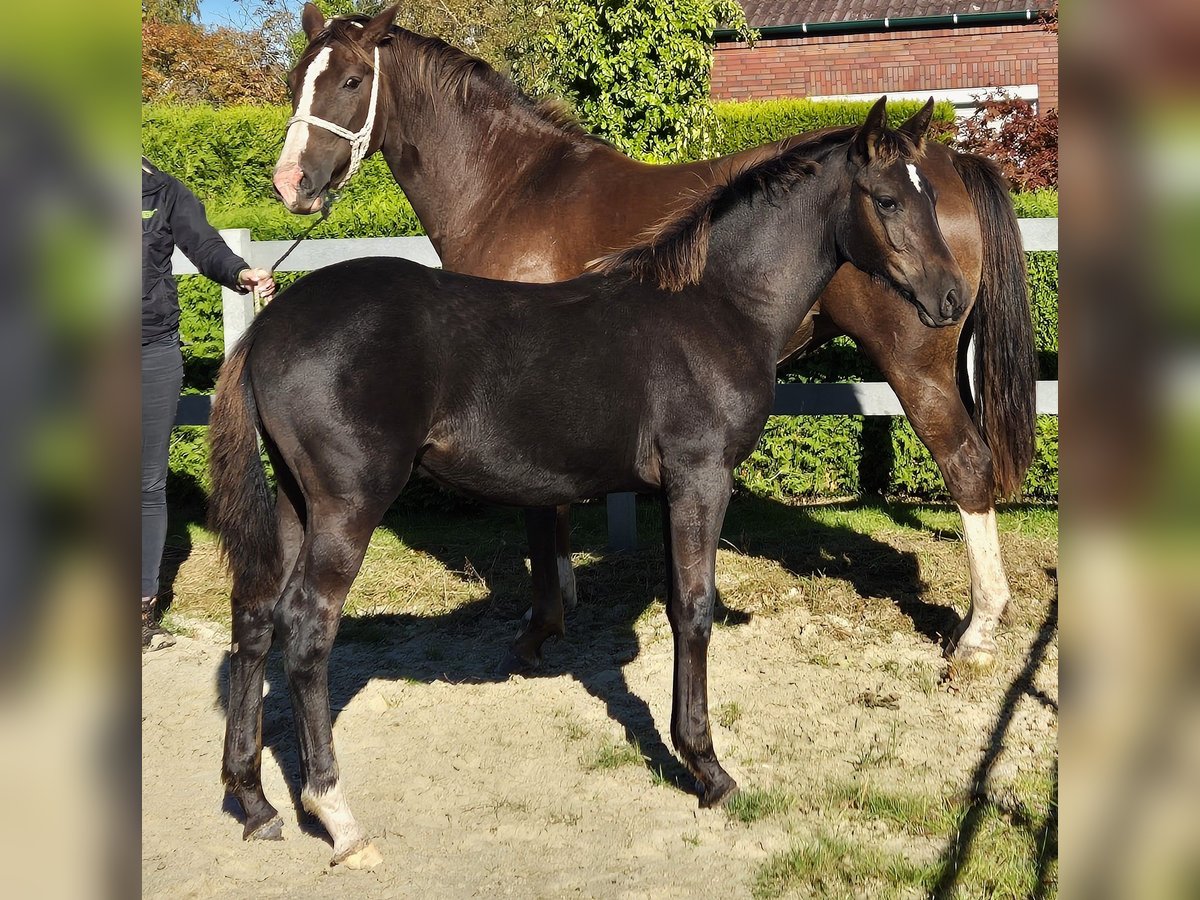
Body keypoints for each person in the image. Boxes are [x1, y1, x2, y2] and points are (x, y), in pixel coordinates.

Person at [142, 157, 275, 650]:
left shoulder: (162, 191)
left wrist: (241, 273)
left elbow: (204, 245)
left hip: (150, 351)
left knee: (146, 483)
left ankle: (139, 607)